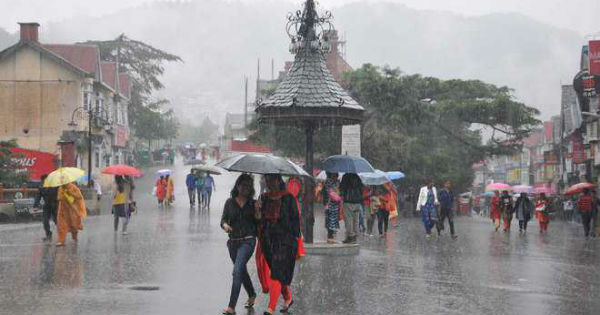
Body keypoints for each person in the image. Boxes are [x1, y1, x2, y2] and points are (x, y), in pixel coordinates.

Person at [257, 174, 300, 315]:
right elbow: (260, 220)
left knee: (276, 271)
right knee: (277, 271)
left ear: (278, 181)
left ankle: (271, 307)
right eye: (267, 180)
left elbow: (295, 222)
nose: (270, 183)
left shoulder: (288, 198)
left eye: (272, 180)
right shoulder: (264, 198)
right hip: (268, 241)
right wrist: (258, 210)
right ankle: (287, 297)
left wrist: (294, 242)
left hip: (285, 241)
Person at [220, 174, 259, 315]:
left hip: (248, 241)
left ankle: (231, 306)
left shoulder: (253, 204)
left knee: (237, 271)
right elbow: (223, 221)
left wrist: (258, 211)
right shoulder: (229, 202)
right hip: (233, 243)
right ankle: (252, 294)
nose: (245, 188)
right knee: (241, 271)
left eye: (248, 186)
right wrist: (226, 226)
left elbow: (258, 223)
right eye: (243, 185)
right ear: (238, 186)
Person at [339, 173, 364, 244]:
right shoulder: (358, 177)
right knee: (356, 220)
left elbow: (341, 188)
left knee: (348, 219)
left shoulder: (346, 176)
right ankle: (355, 235)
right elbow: (361, 189)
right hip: (357, 202)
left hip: (348, 201)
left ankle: (350, 236)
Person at [34, 174, 58, 241]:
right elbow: (38, 196)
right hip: (47, 206)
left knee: (57, 221)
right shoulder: (41, 187)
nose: (44, 182)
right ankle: (48, 235)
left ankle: (62, 235)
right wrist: (36, 205)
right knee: (45, 221)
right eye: (43, 180)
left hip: (55, 205)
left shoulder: (55, 185)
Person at [322, 172, 341, 243]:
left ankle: (331, 234)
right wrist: (335, 193)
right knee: (330, 219)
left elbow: (339, 192)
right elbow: (329, 192)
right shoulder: (328, 182)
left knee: (332, 220)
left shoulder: (337, 182)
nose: (335, 176)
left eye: (336, 175)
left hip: (335, 204)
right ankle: (330, 235)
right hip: (330, 204)